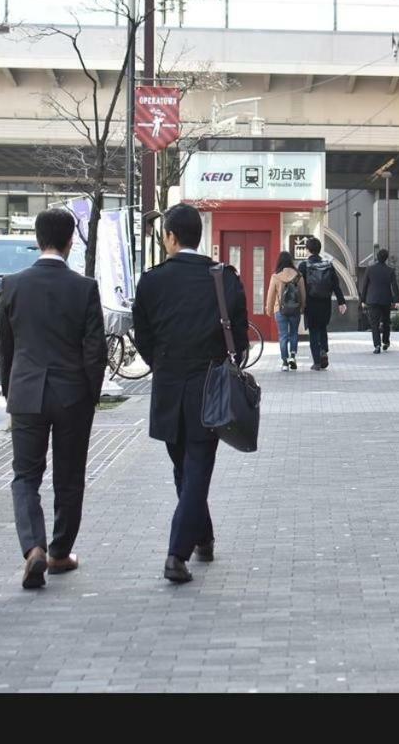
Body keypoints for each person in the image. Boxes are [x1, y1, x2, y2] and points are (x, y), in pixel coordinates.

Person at [132, 204, 249, 584]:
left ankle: (181, 549)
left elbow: (143, 338)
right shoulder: (225, 278)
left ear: (170, 236)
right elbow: (241, 343)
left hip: (167, 388)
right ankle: (194, 541)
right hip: (209, 388)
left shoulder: (151, 281)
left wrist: (163, 364)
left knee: (184, 467)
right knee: (194, 468)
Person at [0, 208, 107, 590]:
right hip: (72, 394)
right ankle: (60, 553)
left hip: (26, 390)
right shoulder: (84, 287)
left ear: (38, 239)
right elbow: (96, 351)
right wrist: (90, 394)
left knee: (25, 476)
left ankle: (33, 548)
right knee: (69, 476)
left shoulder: (12, 285)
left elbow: (6, 349)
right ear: (70, 241)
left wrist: (9, 390)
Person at [298, 237, 346, 370]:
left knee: (313, 331)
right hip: (325, 303)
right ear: (319, 250)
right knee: (323, 328)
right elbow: (336, 285)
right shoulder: (328, 265)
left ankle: (317, 362)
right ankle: (323, 350)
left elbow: (298, 286)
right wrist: (341, 302)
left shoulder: (303, 266)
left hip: (310, 304)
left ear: (307, 250)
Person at [265, 250, 306, 371]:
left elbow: (270, 295)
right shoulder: (298, 276)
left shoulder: (276, 276)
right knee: (294, 333)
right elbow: (303, 294)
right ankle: (292, 356)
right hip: (295, 309)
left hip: (280, 310)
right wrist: (302, 307)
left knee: (283, 336)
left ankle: (284, 362)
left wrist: (269, 309)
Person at [359, 248, 399, 354]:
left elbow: (365, 285)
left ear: (377, 257)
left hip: (372, 300)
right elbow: (394, 286)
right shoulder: (390, 270)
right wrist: (397, 300)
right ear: (386, 258)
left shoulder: (370, 269)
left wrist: (362, 300)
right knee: (386, 322)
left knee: (374, 323)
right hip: (386, 300)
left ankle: (377, 345)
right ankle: (385, 342)